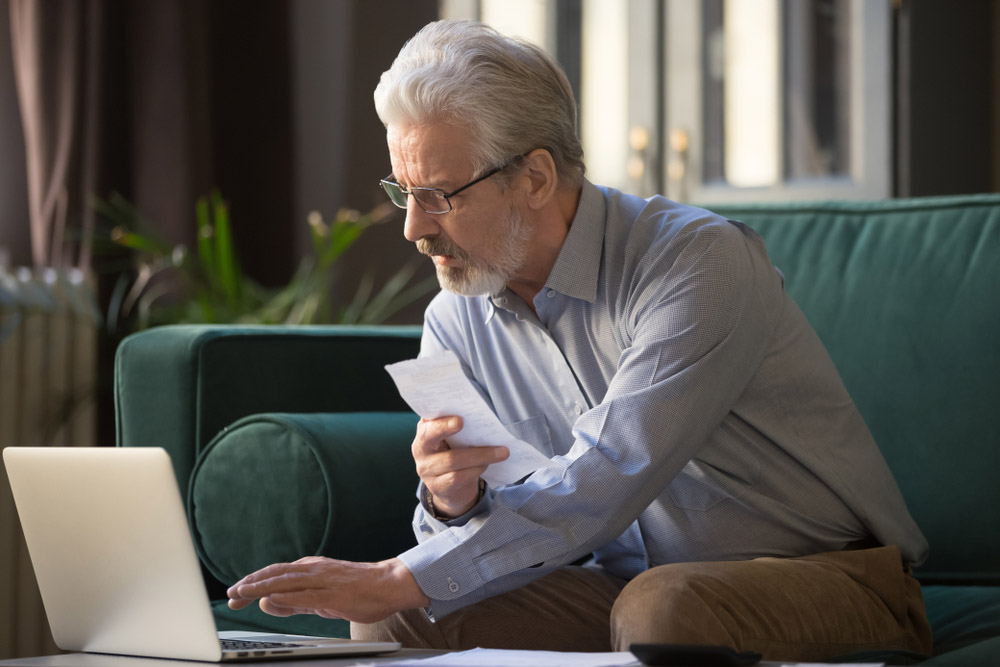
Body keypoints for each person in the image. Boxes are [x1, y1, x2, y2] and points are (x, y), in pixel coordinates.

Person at [227, 19, 933, 661]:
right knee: (396, 623)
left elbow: (610, 469)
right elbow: (481, 535)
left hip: (830, 579)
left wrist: (398, 574)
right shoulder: (457, 311)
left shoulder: (698, 261)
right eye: (402, 192)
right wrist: (452, 502)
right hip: (620, 585)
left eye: (439, 194)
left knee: (661, 610)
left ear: (534, 177)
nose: (413, 228)